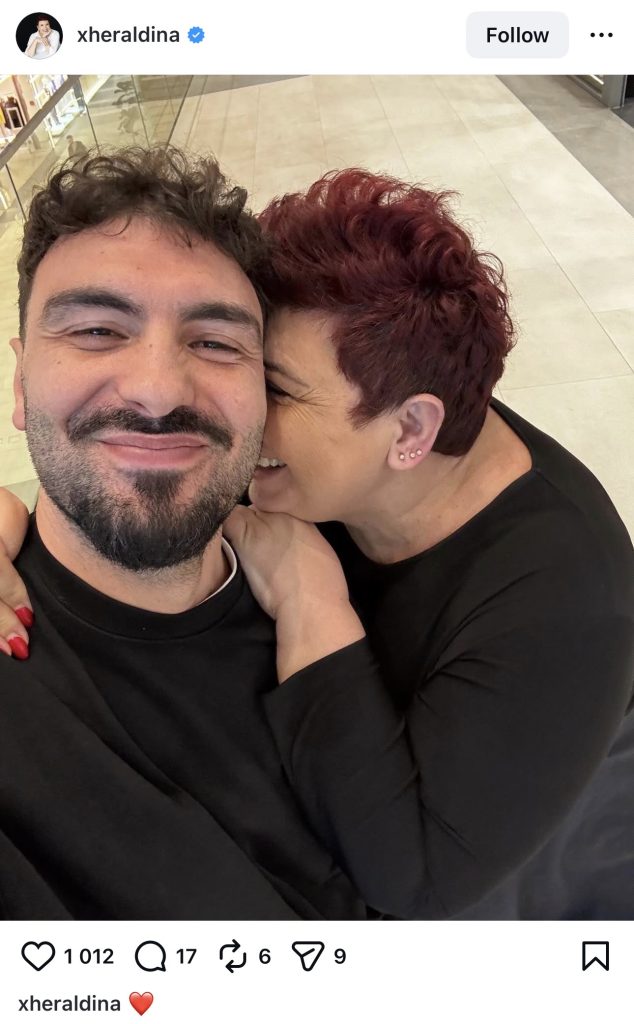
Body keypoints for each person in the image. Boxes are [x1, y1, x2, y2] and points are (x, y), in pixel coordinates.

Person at [2, 167, 633, 920]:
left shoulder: (565, 606)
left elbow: (419, 882)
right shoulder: (342, 455)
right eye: (97, 331)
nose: (170, 395)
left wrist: (314, 605)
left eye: (270, 382)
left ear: (410, 430)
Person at [0, 148, 365, 920]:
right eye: (97, 330)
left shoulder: (356, 564)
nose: (159, 391)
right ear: (20, 382)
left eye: (215, 342)